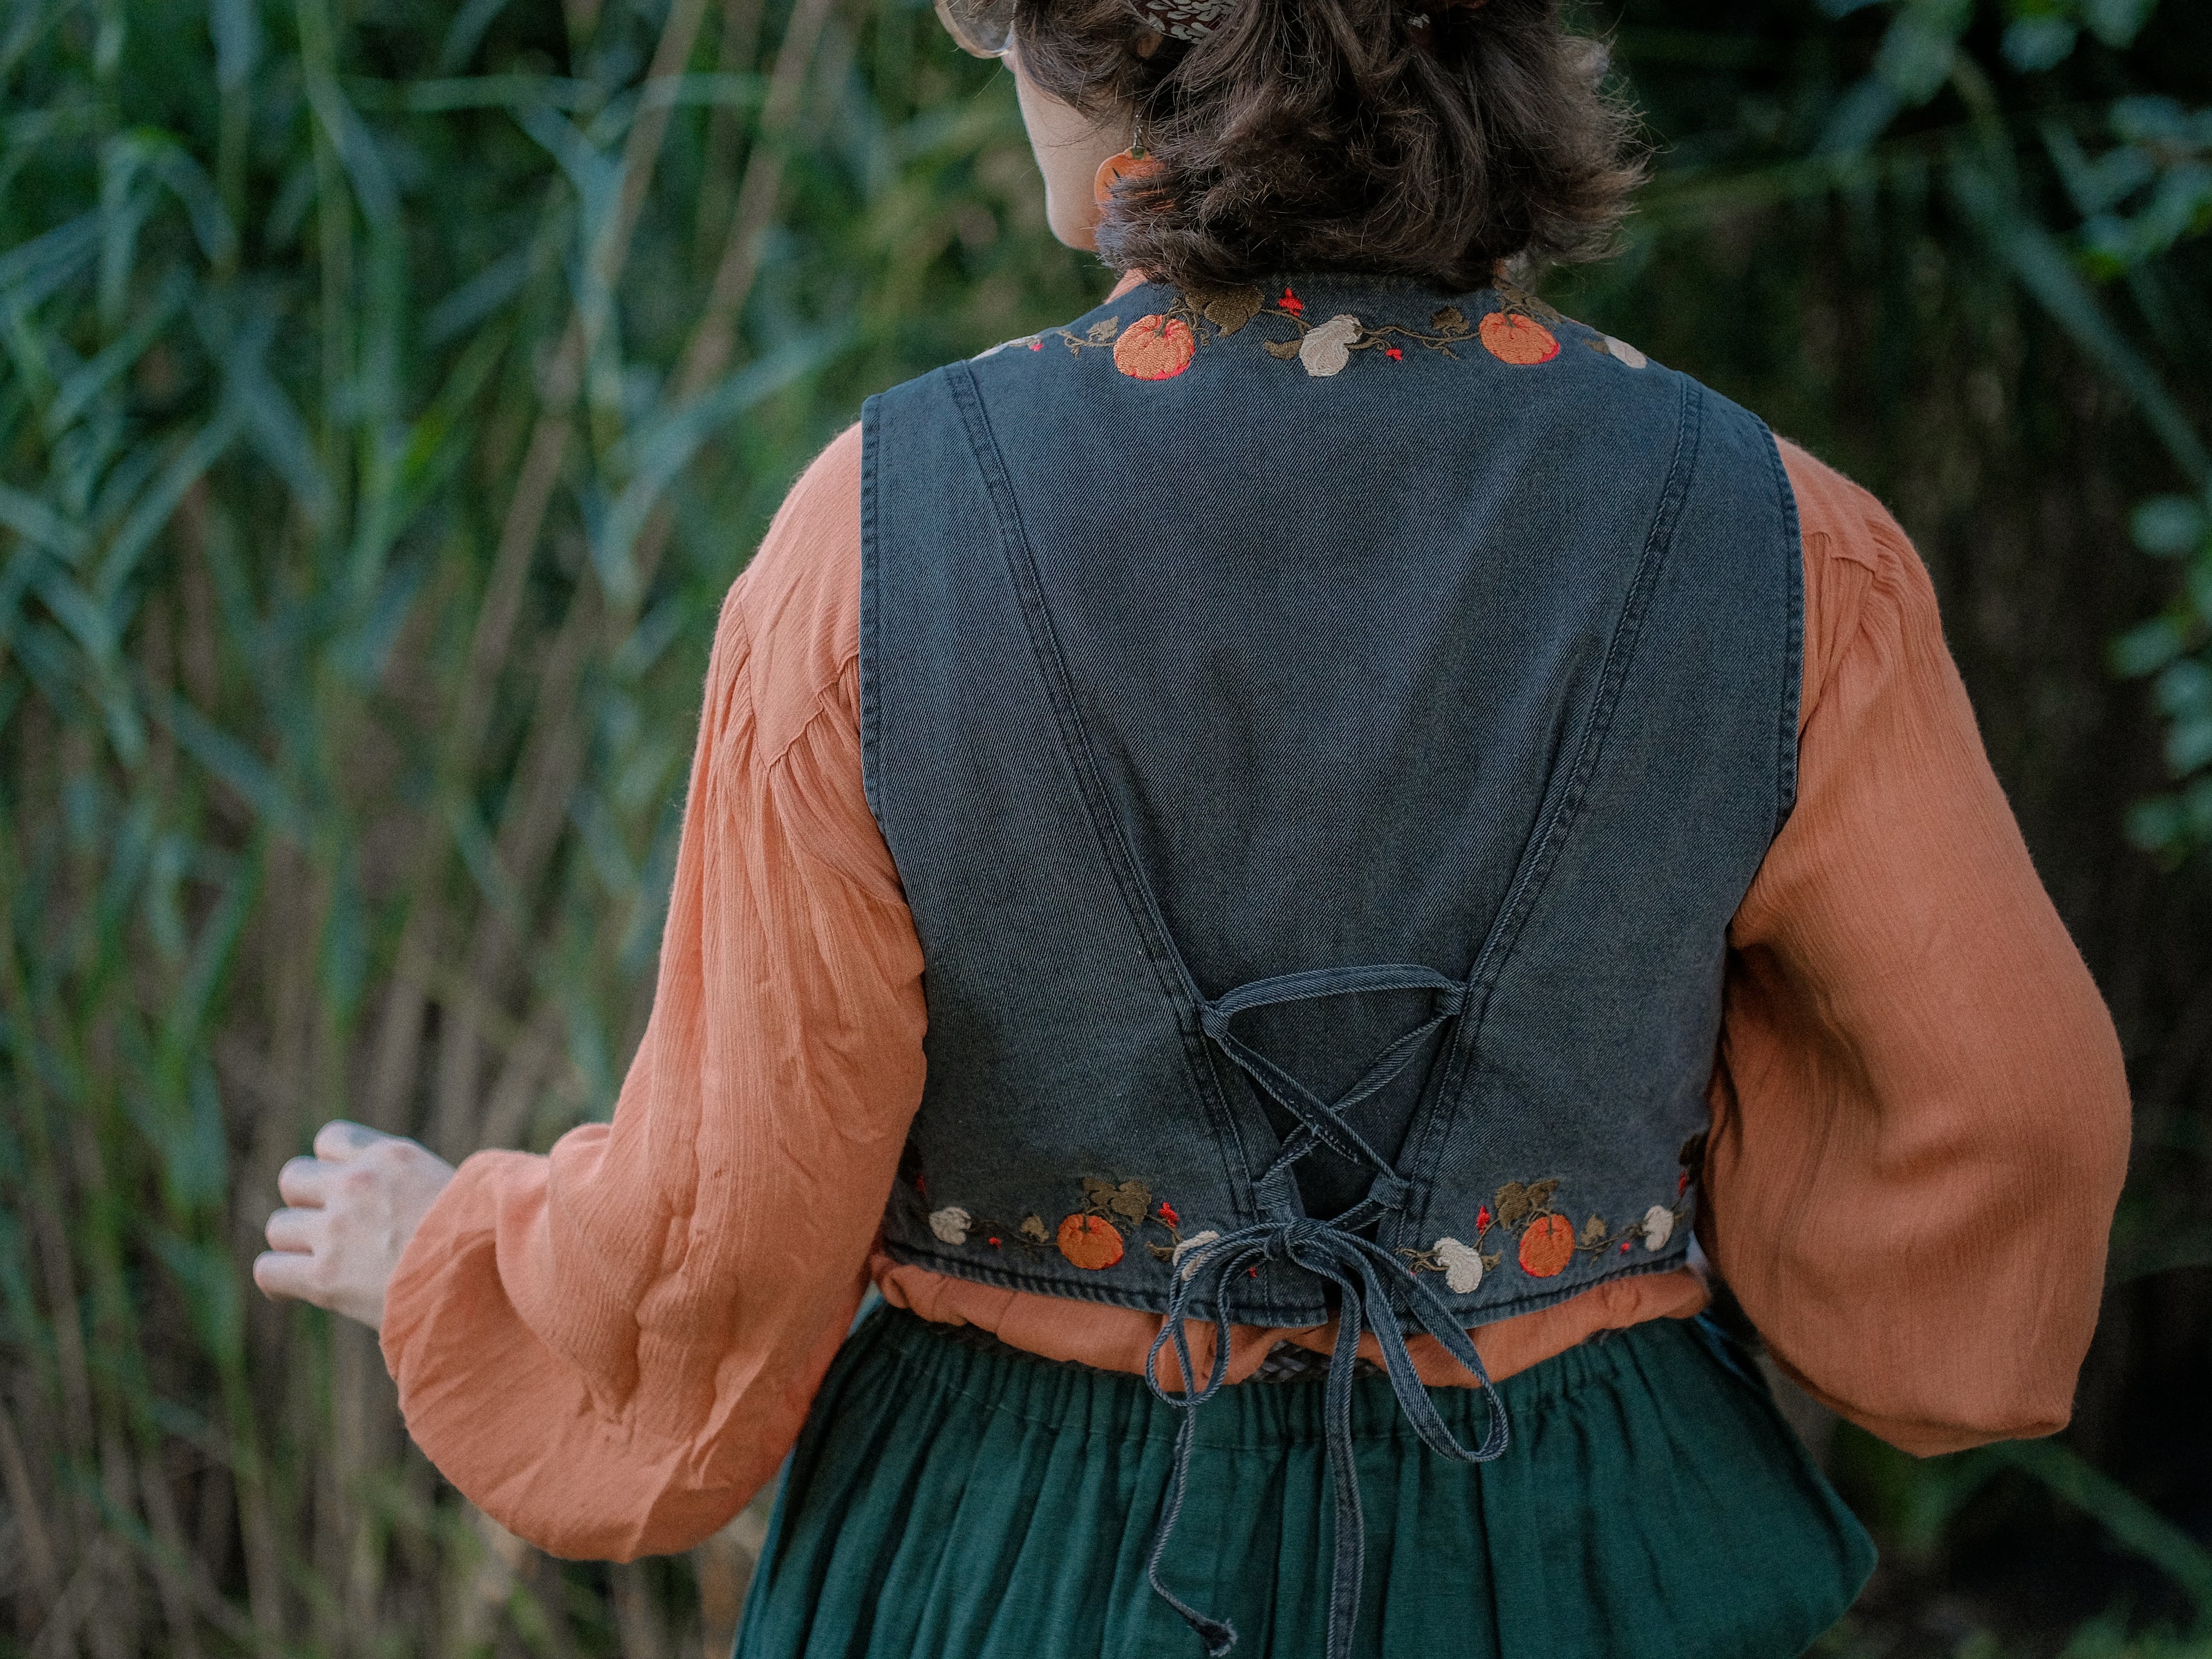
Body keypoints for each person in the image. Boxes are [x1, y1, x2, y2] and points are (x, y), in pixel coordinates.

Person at [252, 0, 2134, 1653]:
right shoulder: (1783, 540)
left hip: (1034, 1556)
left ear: (1109, 57)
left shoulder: (875, 542)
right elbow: (2004, 1126)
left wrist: (456, 1246)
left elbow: (717, 1242)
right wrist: (1651, 1191)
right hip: (1580, 1535)